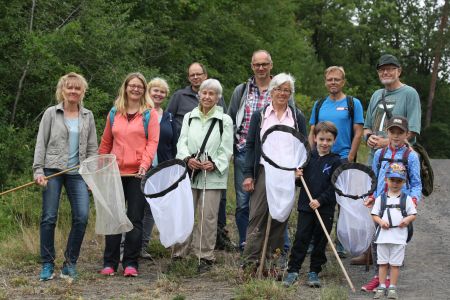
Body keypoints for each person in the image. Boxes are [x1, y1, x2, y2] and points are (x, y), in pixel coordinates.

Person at [33, 72, 98, 281]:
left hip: (78, 173)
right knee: (49, 217)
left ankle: (70, 263)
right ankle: (47, 264)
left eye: (77, 88)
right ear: (62, 90)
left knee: (82, 216)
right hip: (53, 171)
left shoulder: (88, 116)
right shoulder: (51, 114)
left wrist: (91, 176)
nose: (73, 91)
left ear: (82, 92)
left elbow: (92, 149)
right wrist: (38, 171)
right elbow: (41, 143)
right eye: (69, 87)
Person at [229, 50, 292, 254]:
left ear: (271, 65)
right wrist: (233, 147)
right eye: (257, 64)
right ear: (252, 66)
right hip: (245, 152)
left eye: (265, 64)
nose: (261, 68)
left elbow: (293, 125)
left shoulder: (282, 87)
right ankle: (247, 244)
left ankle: (278, 247)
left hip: (277, 159)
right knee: (243, 202)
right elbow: (231, 119)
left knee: (278, 200)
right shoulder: (242, 90)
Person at [241, 73, 307, 269]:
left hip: (286, 173)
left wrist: (299, 168)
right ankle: (251, 263)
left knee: (280, 216)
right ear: (271, 91)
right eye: (278, 89)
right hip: (263, 170)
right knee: (257, 215)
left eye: (287, 90)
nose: (282, 93)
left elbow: (302, 146)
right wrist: (248, 174)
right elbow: (251, 145)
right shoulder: (259, 115)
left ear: (290, 93)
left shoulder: (297, 117)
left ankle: (273, 263)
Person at [99, 72, 159, 277]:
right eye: (132, 85)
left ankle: (131, 263)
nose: (135, 89)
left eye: (139, 86)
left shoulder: (150, 114)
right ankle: (110, 262)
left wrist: (144, 164)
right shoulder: (115, 112)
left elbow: (152, 142)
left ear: (144, 90)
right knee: (114, 217)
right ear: (125, 88)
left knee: (134, 218)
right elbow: (106, 143)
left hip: (137, 174)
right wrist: (101, 168)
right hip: (115, 173)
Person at [166, 62, 232, 252]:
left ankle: (204, 254)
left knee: (208, 217)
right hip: (191, 171)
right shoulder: (189, 117)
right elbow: (182, 142)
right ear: (199, 95)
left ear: (218, 97)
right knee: (185, 213)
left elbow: (227, 149)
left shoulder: (224, 120)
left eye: (212, 94)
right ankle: (179, 252)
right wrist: (187, 158)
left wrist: (214, 163)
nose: (207, 96)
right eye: (204, 93)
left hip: (212, 175)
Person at [308, 66, 364, 258]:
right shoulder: (319, 103)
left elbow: (358, 132)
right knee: (319, 197)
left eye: (337, 79)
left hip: (342, 157)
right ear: (325, 81)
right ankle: (316, 240)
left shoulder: (352, 103)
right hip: (321, 157)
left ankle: (340, 241)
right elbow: (313, 131)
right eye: (330, 79)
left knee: (342, 200)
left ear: (343, 82)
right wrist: (311, 154)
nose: (333, 82)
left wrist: (350, 156)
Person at [361, 116, 421, 293]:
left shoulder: (411, 156)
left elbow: (417, 183)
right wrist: (372, 196)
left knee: (397, 243)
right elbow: (375, 179)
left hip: (401, 206)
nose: (395, 136)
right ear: (387, 132)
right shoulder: (380, 154)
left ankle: (390, 281)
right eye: (392, 132)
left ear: (407, 134)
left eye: (400, 132)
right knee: (378, 242)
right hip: (381, 205)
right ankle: (378, 279)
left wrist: (413, 201)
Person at [283, 121, 341, 287]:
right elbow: (301, 184)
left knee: (320, 240)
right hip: (306, 207)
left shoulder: (336, 161)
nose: (324, 143)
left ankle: (314, 271)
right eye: (321, 139)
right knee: (301, 237)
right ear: (315, 138)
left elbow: (334, 187)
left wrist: (320, 201)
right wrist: (296, 177)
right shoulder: (306, 157)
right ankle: (293, 270)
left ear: (334, 141)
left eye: (328, 140)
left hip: (325, 208)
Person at [140, 77, 178, 259]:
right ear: (148, 91)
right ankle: (127, 245)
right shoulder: (141, 113)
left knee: (151, 209)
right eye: (155, 90)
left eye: (162, 91)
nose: (159, 94)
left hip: (161, 169)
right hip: (141, 168)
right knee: (135, 208)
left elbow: (174, 143)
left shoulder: (169, 116)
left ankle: (142, 246)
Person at [363, 54, 421, 165]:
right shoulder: (376, 95)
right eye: (381, 70)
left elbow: (412, 131)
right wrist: (368, 138)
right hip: (374, 159)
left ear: (399, 71)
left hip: (399, 161)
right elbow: (367, 127)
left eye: (390, 69)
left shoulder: (410, 93)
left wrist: (386, 142)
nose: (385, 72)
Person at [371, 163, 417, 299]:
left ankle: (392, 287)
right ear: (386, 180)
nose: (395, 183)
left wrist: (407, 220)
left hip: (398, 237)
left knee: (395, 264)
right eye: (392, 180)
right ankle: (381, 285)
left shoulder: (406, 199)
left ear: (404, 182)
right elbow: (374, 214)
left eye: (399, 181)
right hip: (383, 237)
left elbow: (413, 214)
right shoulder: (381, 199)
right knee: (382, 263)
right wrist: (381, 222)